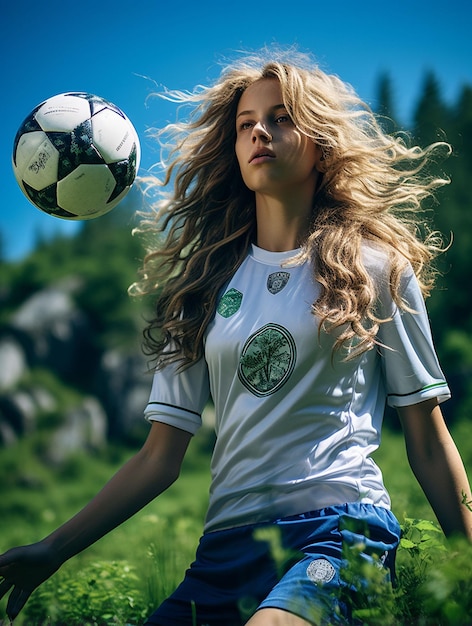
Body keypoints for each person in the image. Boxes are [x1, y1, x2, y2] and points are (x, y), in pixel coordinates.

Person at [1, 48, 471, 626]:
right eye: (246, 125)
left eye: (281, 118)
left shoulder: (376, 269)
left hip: (340, 536)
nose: (260, 134)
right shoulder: (201, 288)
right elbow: (158, 459)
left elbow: (426, 440)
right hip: (224, 550)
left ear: (321, 143)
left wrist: (470, 563)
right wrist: (52, 550)